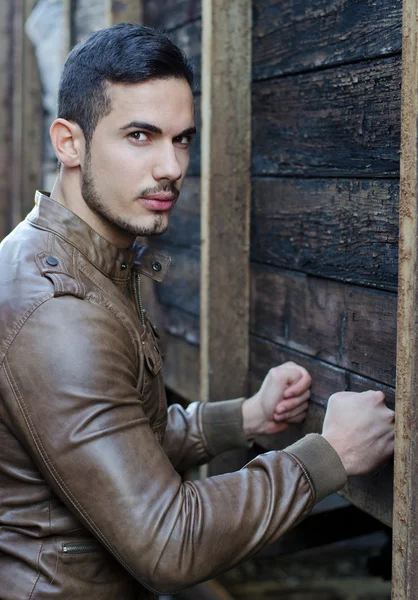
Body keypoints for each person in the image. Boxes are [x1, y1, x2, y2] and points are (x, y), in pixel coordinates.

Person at [0, 23, 394, 600]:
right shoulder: (58, 311)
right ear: (69, 143)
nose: (171, 167)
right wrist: (328, 456)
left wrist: (247, 418)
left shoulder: (83, 257)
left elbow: (120, 436)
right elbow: (169, 541)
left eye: (182, 139)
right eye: (140, 135)